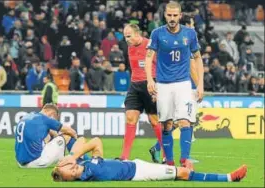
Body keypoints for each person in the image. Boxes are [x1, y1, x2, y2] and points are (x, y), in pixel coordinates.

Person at [144, 2, 204, 169]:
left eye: (175, 15)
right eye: (169, 15)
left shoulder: (190, 34)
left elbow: (198, 58)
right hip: (163, 85)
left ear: (180, 15)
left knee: (185, 121)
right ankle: (169, 163)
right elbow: (148, 57)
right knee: (166, 125)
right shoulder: (157, 33)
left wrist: (200, 85)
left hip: (184, 84)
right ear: (165, 15)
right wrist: (150, 80)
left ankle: (184, 160)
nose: (172, 18)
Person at [51, 137, 247, 182]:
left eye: (70, 168)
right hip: (139, 173)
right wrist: (72, 158)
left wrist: (72, 158)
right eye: (69, 173)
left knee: (182, 172)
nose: (73, 170)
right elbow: (94, 142)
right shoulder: (88, 173)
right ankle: (230, 178)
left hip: (134, 164)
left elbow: (91, 141)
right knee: (185, 174)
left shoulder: (85, 165)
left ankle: (182, 166)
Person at [119, 24, 163, 160]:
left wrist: (159, 86)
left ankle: (167, 156)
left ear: (137, 34)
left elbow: (161, 65)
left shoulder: (150, 45)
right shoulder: (129, 47)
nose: (126, 39)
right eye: (125, 36)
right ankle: (124, 157)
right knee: (130, 118)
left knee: (154, 120)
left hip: (151, 84)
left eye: (129, 36)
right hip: (135, 85)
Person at [15, 104, 77, 168]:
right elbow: (72, 132)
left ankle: (61, 158)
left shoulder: (27, 116)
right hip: (35, 162)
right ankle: (79, 160)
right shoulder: (45, 119)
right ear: (52, 114)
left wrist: (54, 135)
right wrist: (76, 140)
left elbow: (49, 133)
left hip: (20, 163)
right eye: (55, 119)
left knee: (50, 135)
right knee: (66, 137)